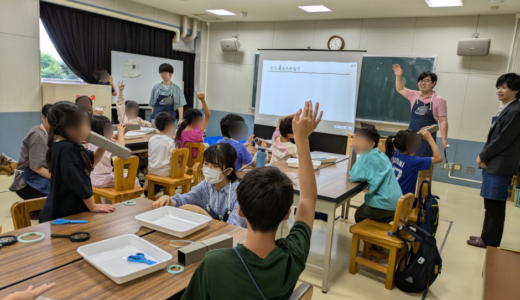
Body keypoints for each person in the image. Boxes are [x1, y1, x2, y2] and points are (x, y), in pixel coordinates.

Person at [180, 101, 322, 300]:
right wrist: (302, 140)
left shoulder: (214, 262)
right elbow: (307, 200)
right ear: (287, 214)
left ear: (241, 211)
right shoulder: (293, 255)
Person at [39, 101, 115, 223]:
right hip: (65, 215)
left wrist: (102, 147)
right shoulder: (66, 149)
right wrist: (93, 206)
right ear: (70, 128)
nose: (88, 128)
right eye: (85, 124)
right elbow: (78, 181)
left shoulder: (68, 145)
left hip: (69, 211)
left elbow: (92, 162)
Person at [468, 73, 520, 248]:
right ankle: (486, 237)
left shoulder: (516, 110)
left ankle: (490, 241)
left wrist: (482, 156)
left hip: (501, 166)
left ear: (516, 90)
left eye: (504, 87)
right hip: (494, 164)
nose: (499, 90)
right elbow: (494, 138)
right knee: (489, 203)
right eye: (499, 86)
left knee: (495, 206)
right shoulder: (507, 108)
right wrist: (485, 157)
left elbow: (503, 140)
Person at [152, 143, 246, 228]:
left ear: (228, 171)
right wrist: (169, 200)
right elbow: (185, 199)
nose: (208, 169)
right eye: (206, 164)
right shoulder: (206, 185)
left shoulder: (240, 194)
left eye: (215, 166)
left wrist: (205, 216)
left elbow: (234, 228)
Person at [392, 64, 448, 187]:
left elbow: (443, 121)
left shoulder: (439, 100)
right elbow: (400, 89)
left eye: (426, 80)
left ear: (434, 83)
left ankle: (422, 204)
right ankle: (405, 199)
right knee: (406, 171)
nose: (422, 83)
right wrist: (399, 76)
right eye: (420, 80)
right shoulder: (414, 95)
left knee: (424, 177)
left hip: (426, 142)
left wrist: (444, 139)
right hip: (410, 141)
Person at [350, 127, 402, 223]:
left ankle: (365, 237)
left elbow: (354, 177)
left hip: (382, 203)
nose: (356, 144)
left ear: (372, 143)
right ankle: (372, 237)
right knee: (378, 222)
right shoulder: (382, 155)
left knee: (359, 215)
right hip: (396, 205)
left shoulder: (366, 156)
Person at [88, 116, 140, 204]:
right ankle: (138, 201)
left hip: (93, 178)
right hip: (104, 179)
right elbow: (123, 152)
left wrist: (117, 136)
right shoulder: (107, 144)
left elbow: (109, 141)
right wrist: (120, 133)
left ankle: (107, 202)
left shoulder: (92, 141)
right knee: (134, 179)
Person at [10, 104, 53, 201]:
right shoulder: (38, 136)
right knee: (63, 192)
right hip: (27, 181)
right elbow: (36, 167)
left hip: (40, 175)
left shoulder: (50, 133)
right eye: (52, 119)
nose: (56, 123)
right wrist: (59, 178)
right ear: (43, 117)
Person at [385, 128, 442, 196]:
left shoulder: (394, 153)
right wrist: (430, 139)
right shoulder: (414, 161)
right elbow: (438, 158)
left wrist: (419, 134)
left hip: (391, 194)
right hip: (404, 200)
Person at [175, 92, 211, 159]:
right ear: (195, 120)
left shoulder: (180, 131)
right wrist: (203, 100)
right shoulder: (199, 131)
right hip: (198, 165)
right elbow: (207, 115)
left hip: (184, 164)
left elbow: (179, 148)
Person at [147, 112, 177, 177]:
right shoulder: (170, 141)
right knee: (184, 167)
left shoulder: (151, 139)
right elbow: (174, 160)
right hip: (166, 173)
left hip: (152, 171)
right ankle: (174, 187)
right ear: (168, 126)